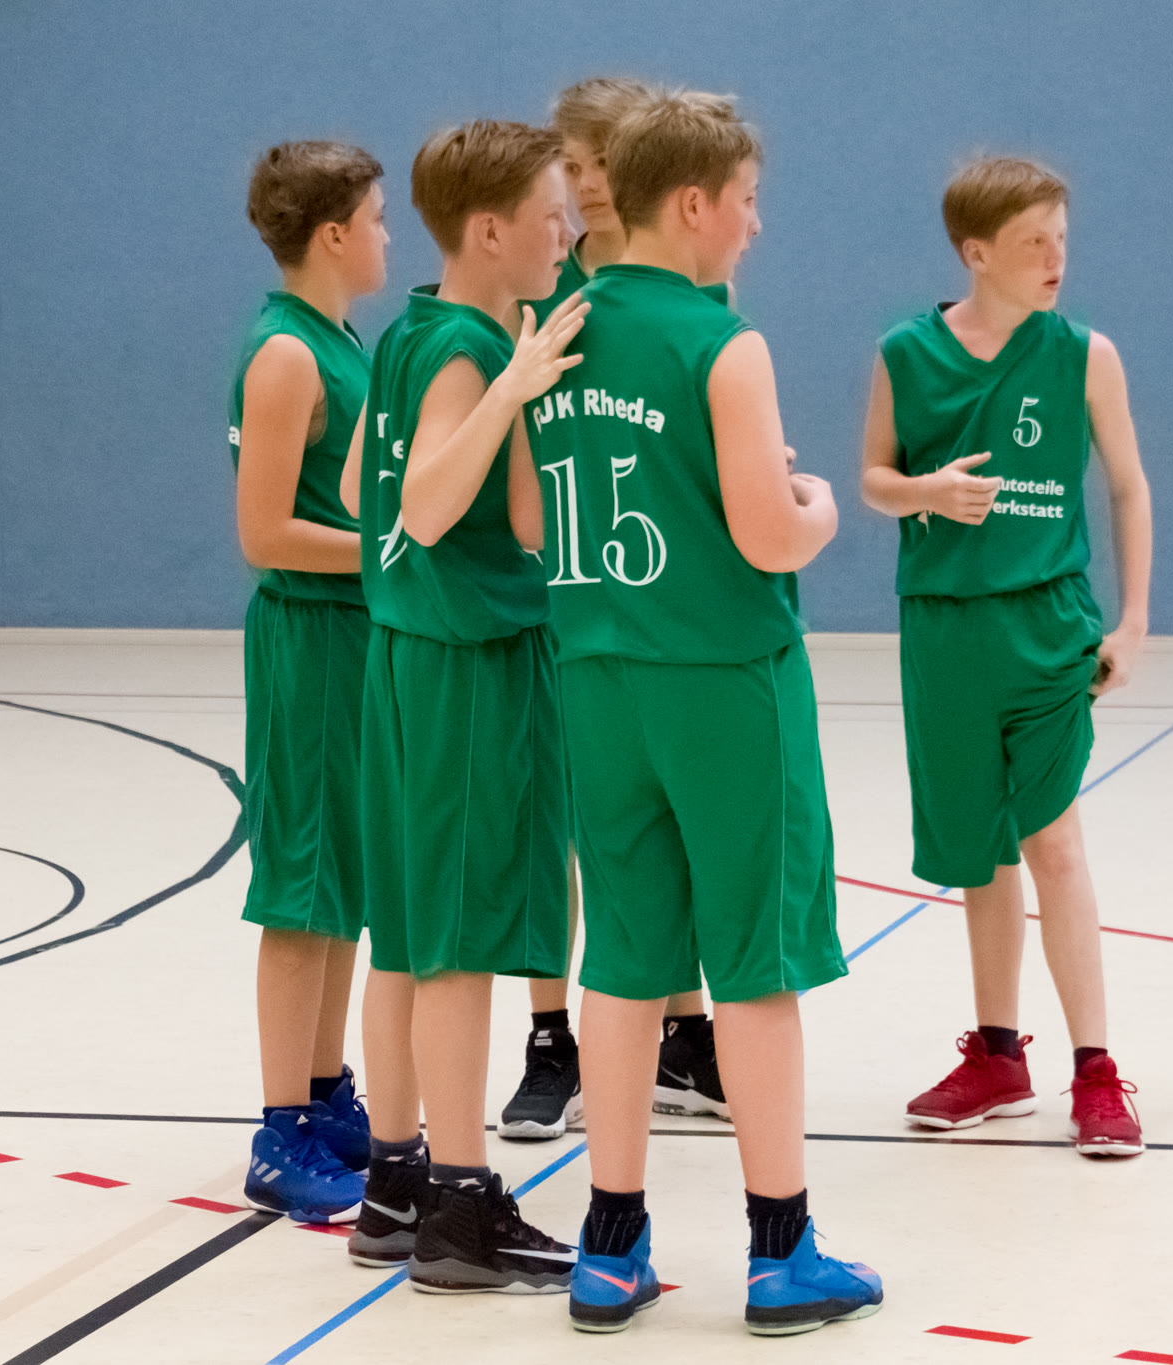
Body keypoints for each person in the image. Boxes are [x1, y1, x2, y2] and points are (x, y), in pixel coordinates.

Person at [523, 90, 883, 1335]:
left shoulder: (557, 329)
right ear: (692, 204)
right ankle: (781, 1252)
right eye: (746, 201)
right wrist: (816, 506)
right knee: (755, 965)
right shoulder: (724, 343)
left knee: (624, 964)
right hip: (724, 679)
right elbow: (767, 532)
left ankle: (609, 1245)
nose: (755, 224)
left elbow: (528, 517)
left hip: (595, 675)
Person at [859, 155, 1154, 1158]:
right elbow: (873, 478)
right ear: (975, 252)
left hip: (1047, 626)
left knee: (1053, 843)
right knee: (978, 854)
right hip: (945, 630)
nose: (1054, 258)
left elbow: (1127, 486)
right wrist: (926, 492)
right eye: (1033, 243)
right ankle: (996, 1056)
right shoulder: (905, 352)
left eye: (1060, 238)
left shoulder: (1085, 356)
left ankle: (1095, 1070)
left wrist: (1132, 620)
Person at [337, 119, 587, 1290]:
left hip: (403, 656)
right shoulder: (473, 353)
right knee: (458, 944)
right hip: (467, 664)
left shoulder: (409, 330)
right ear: (490, 232)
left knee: (405, 934)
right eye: (550, 216)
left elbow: (362, 484)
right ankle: (462, 1205)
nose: (567, 232)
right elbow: (426, 507)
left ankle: (393, 1184)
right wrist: (515, 391)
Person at [500, 75, 728, 1145]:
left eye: (598, 165)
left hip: (659, 601)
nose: (585, 184)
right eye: (572, 166)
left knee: (658, 822)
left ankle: (684, 1030)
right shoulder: (542, 286)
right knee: (569, 827)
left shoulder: (690, 287)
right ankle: (553, 1035)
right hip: (563, 584)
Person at [233, 140, 388, 1223]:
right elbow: (266, 532)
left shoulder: (339, 339)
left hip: (354, 639)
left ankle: (326, 1093)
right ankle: (279, 1130)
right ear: (332, 234)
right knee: (301, 887)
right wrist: (393, 547)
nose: (387, 237)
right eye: (376, 219)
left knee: (342, 879)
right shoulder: (286, 355)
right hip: (310, 641)